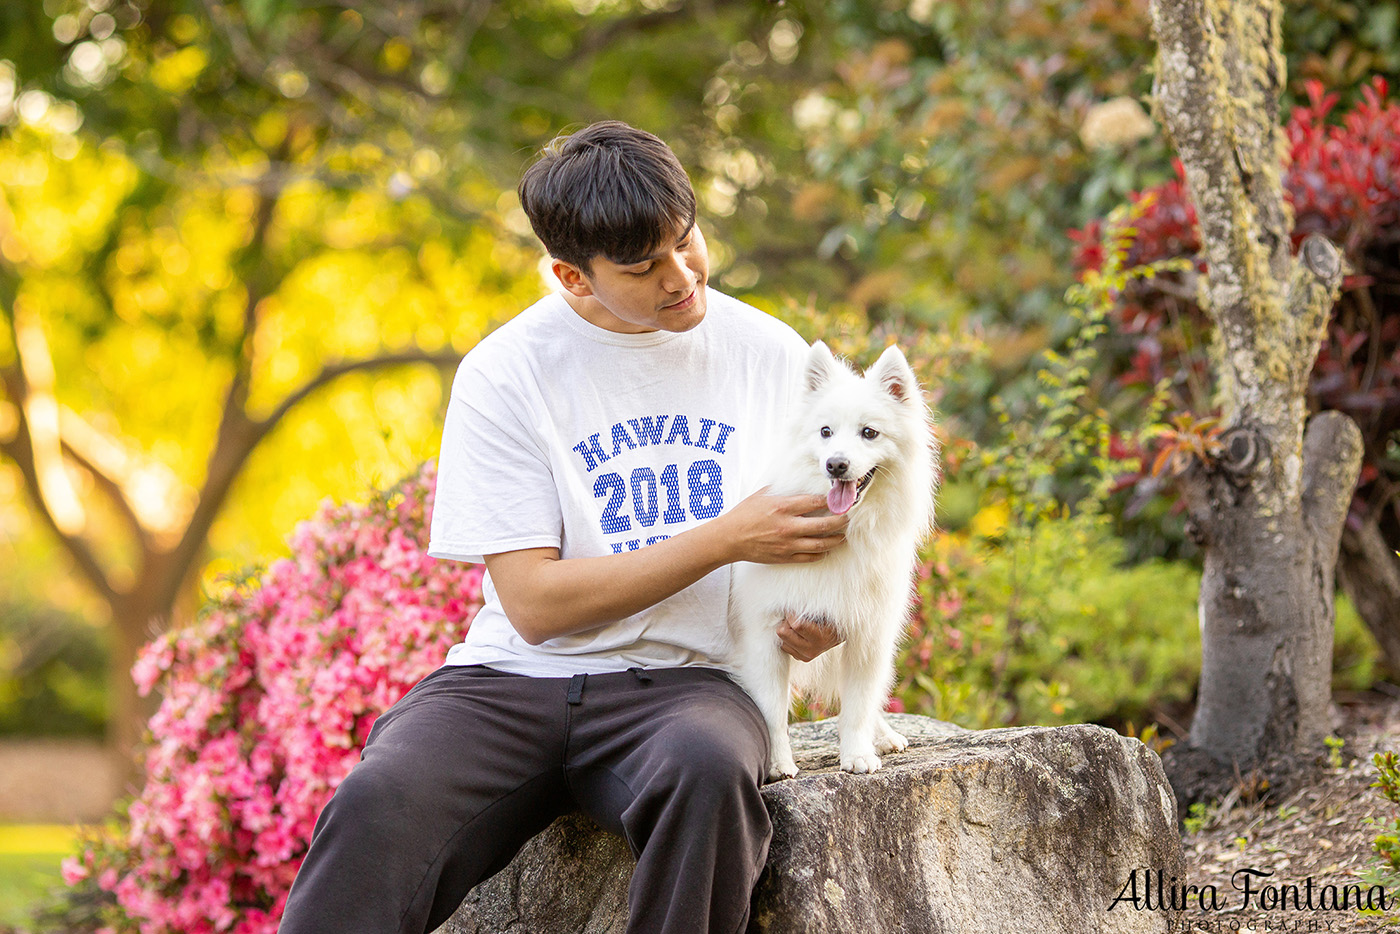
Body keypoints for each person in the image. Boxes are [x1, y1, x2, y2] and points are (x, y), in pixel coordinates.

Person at [277, 120, 847, 934]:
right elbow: (536, 606)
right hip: (509, 683)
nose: (682, 278)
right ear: (572, 276)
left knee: (709, 772)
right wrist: (725, 538)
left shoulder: (773, 355)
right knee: (380, 798)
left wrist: (817, 618)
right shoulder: (507, 373)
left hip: (691, 685)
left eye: (687, 242)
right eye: (644, 267)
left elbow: (823, 539)